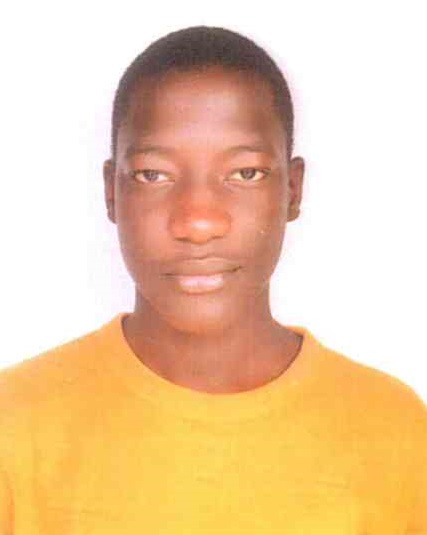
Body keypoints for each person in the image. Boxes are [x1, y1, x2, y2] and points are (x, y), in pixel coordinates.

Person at [0, 25, 425, 534]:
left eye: (245, 173)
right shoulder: (15, 425)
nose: (198, 222)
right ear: (111, 193)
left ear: (293, 191)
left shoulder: (396, 432)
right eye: (153, 174)